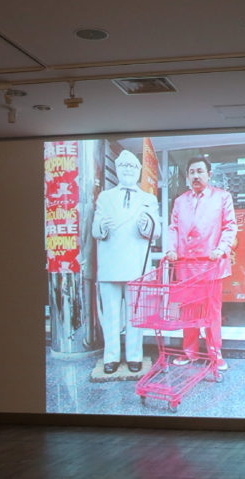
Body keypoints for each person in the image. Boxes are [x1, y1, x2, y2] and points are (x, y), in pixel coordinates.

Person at [165, 156, 237, 370]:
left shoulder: (222, 197)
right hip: (186, 265)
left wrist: (221, 249)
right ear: (187, 176)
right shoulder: (180, 201)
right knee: (188, 310)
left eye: (200, 171)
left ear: (209, 175)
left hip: (211, 265)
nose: (196, 176)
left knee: (212, 312)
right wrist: (171, 249)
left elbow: (230, 226)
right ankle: (189, 352)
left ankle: (215, 353)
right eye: (192, 172)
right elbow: (174, 228)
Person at [92, 150, 160, 374]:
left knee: (134, 317)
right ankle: (110, 357)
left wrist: (145, 225)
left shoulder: (148, 199)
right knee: (110, 315)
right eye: (124, 166)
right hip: (110, 266)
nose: (128, 170)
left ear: (139, 170)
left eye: (132, 166)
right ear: (118, 170)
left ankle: (134, 356)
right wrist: (103, 226)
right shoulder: (105, 197)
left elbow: (156, 232)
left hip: (136, 266)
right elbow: (94, 230)